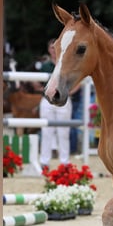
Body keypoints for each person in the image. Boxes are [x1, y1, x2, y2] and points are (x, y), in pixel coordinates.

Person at [39, 38, 71, 168]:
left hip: (64, 99)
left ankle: (65, 162)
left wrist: (69, 92)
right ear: (48, 50)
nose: (53, 50)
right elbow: (39, 84)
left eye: (55, 47)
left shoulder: (67, 63)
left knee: (64, 132)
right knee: (46, 132)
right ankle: (44, 162)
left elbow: (77, 81)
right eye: (51, 48)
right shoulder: (44, 66)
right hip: (47, 100)